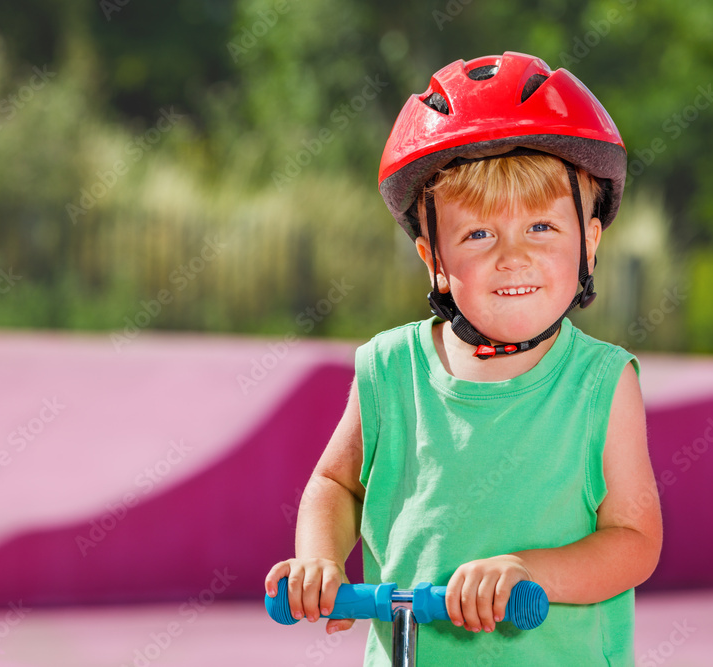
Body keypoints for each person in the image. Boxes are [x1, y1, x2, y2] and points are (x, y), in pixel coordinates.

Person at [266, 51, 662, 665]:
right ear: (435, 261)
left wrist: (528, 571)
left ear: (589, 239)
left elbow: (634, 542)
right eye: (479, 234)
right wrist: (319, 558)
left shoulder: (600, 384)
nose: (513, 256)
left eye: (542, 228)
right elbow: (335, 482)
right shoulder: (389, 370)